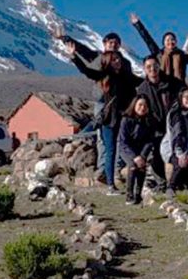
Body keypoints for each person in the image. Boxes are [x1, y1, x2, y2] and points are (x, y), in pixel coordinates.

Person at [52, 25, 133, 182]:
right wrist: (64, 39)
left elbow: (131, 82)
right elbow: (81, 50)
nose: (113, 45)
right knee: (103, 139)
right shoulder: (97, 58)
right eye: (110, 42)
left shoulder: (125, 63)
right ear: (104, 44)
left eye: (116, 43)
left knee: (121, 138)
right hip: (102, 104)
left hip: (121, 105)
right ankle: (103, 169)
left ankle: (117, 169)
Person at [65, 43, 140, 195]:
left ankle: (130, 180)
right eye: (114, 60)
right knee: (111, 149)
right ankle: (110, 185)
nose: (117, 62)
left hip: (124, 118)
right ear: (108, 62)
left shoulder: (126, 76)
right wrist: (74, 56)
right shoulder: (104, 76)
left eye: (118, 59)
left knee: (125, 146)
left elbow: (141, 81)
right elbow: (87, 71)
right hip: (109, 119)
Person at [136, 55, 185, 191]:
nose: (152, 69)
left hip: (172, 126)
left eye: (155, 66)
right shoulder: (142, 88)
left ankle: (178, 182)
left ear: (159, 66)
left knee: (177, 153)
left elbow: (183, 93)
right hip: (154, 127)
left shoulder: (172, 83)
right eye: (148, 67)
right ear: (145, 69)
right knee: (156, 155)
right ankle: (162, 183)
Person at [129, 13, 188, 81]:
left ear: (176, 42)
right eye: (168, 40)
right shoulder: (159, 54)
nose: (170, 42)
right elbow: (148, 39)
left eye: (172, 39)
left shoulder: (182, 55)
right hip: (164, 86)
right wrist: (138, 24)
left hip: (179, 87)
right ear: (164, 43)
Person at [118, 95, 157, 205]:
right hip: (126, 149)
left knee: (142, 167)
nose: (142, 108)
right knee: (133, 166)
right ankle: (129, 195)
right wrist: (134, 156)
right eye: (140, 105)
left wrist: (143, 156)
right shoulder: (126, 120)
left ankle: (138, 194)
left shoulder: (149, 121)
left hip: (141, 150)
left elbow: (149, 141)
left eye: (145, 105)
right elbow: (123, 141)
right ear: (134, 105)